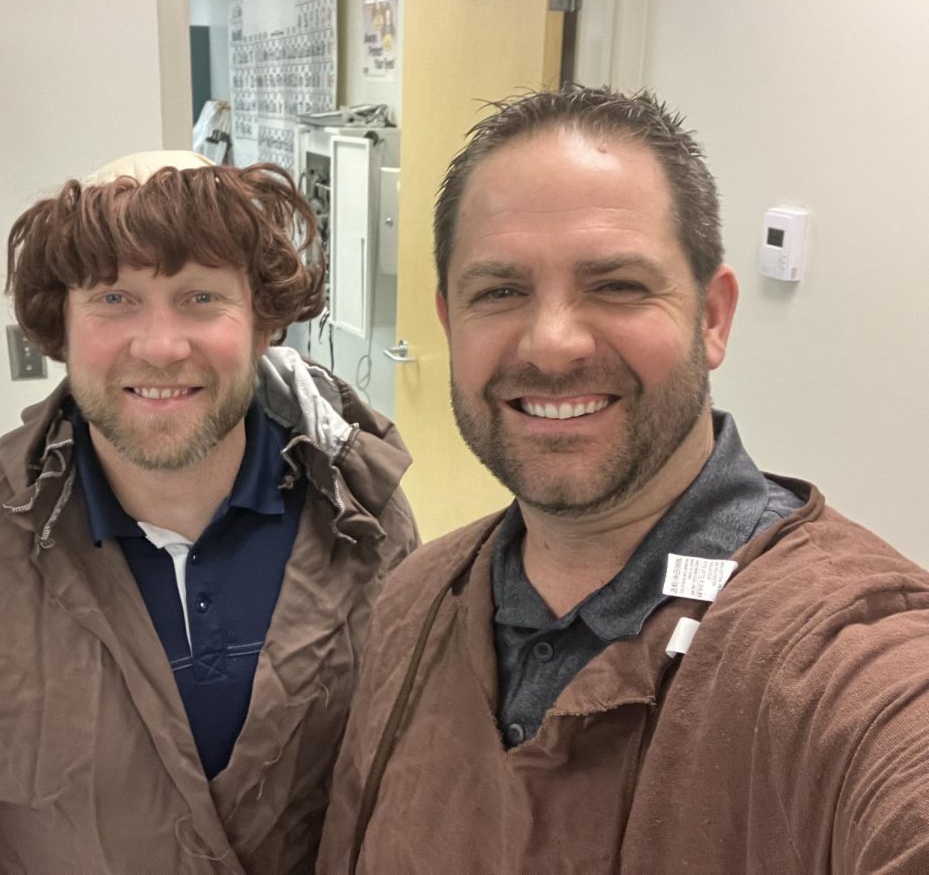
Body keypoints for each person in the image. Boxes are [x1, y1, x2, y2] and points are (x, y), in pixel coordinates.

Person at [318, 86, 929, 873]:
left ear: (713, 316)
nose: (552, 344)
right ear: (448, 321)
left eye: (617, 285)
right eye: (500, 291)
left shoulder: (837, 660)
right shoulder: (415, 602)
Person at [0, 150, 419, 873]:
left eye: (201, 296)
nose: (159, 345)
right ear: (58, 324)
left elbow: (410, 790)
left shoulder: (365, 526)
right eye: (114, 299)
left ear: (263, 320)